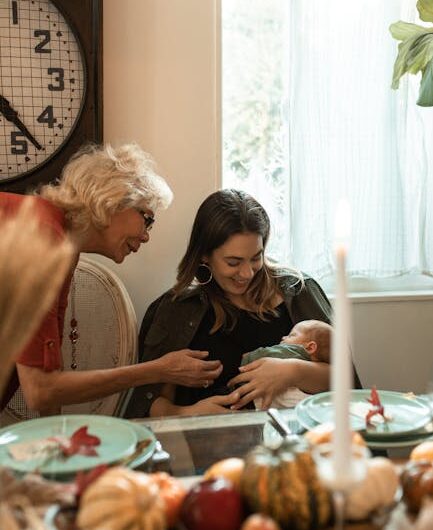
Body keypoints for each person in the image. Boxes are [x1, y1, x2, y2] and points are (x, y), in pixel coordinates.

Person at [0, 143, 222, 416]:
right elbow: (41, 390)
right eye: (147, 219)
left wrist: (59, 450)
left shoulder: (64, 248)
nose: (146, 236)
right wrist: (157, 370)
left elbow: (49, 380)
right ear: (115, 200)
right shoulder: (44, 240)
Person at [125, 189, 361, 418]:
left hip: (296, 446)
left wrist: (292, 372)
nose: (247, 273)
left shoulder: (298, 292)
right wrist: (189, 414)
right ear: (204, 255)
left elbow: (346, 381)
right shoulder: (178, 309)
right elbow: (149, 403)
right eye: (233, 262)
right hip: (211, 447)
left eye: (256, 257)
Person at [241, 319, 332, 409]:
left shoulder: (292, 351)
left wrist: (249, 356)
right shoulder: (315, 372)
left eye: (292, 335)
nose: (283, 337)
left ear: (310, 347)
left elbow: (268, 353)